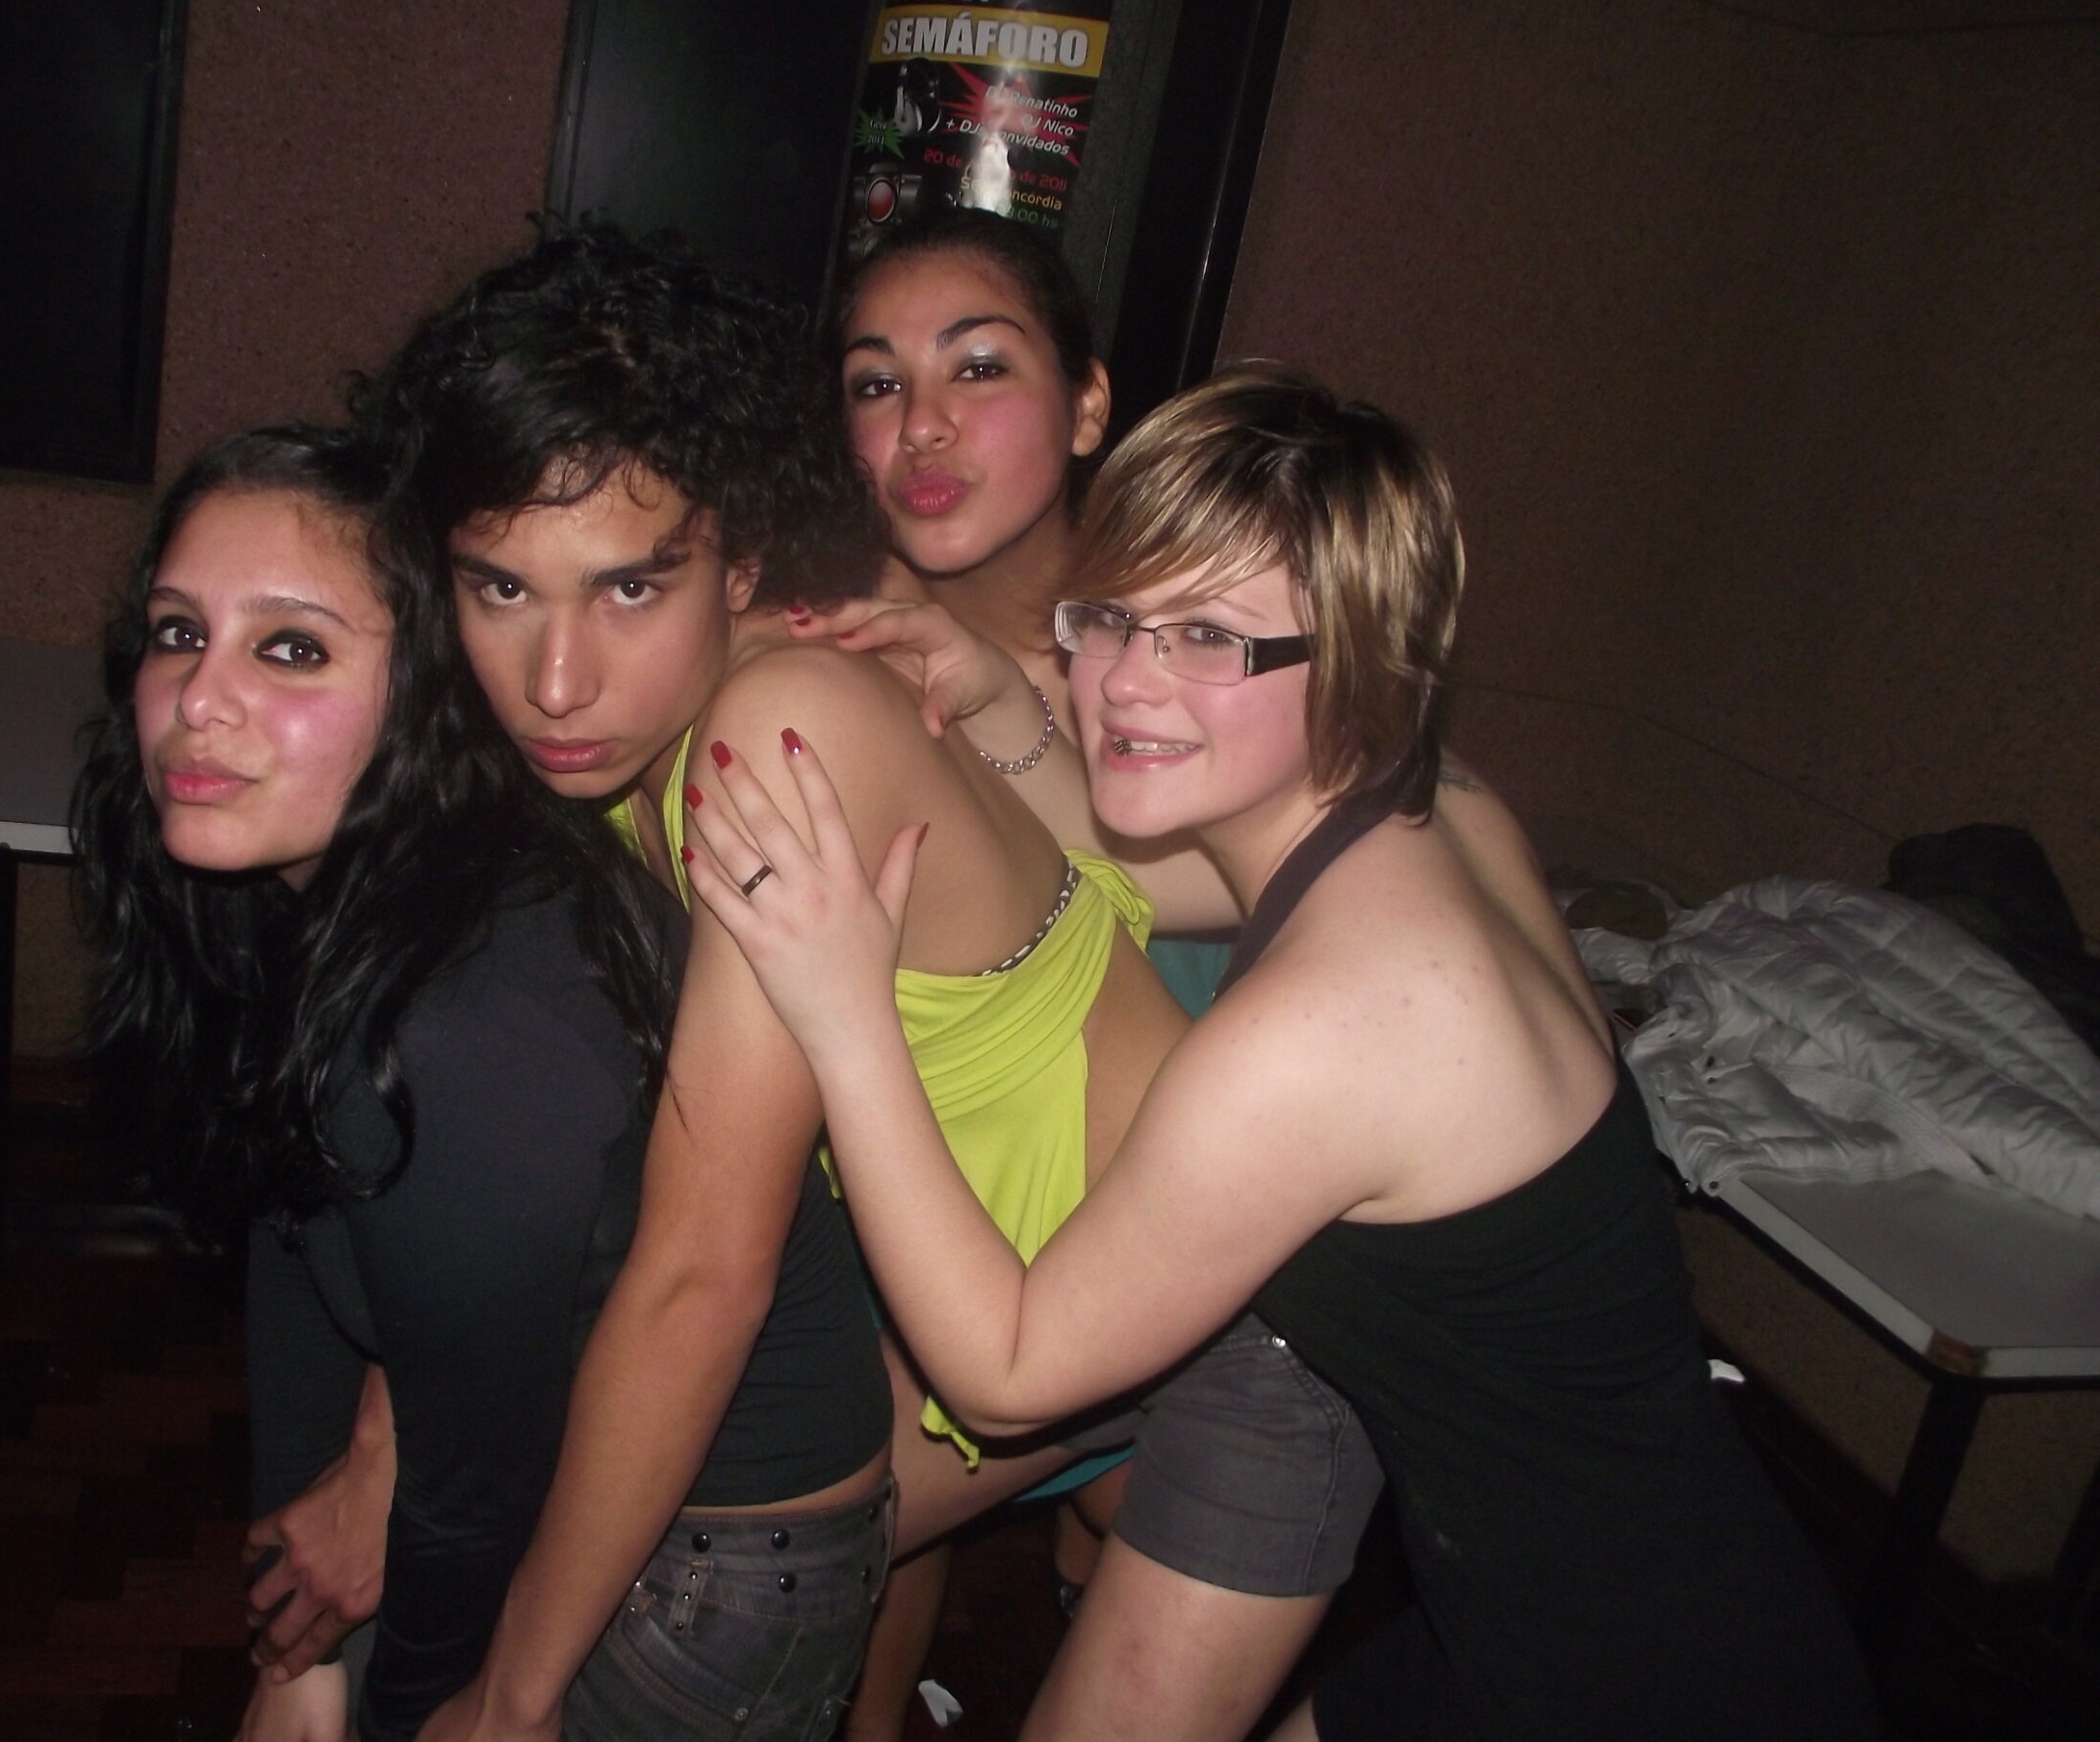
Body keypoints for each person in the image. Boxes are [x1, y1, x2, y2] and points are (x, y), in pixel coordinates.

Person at [680, 365, 1881, 1741]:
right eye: (1112, 617)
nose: (1125, 682)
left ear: (1364, 657)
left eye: (1209, 636)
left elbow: (1007, 1375)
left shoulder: (1332, 1026)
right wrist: (998, 694)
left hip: (1630, 1688)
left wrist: (846, 1017)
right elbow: (1120, 845)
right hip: (1604, 1594)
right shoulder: (1442, 811)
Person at [365, 225, 1200, 1741]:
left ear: (739, 559)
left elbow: (704, 1272)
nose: (556, 681)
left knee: (674, 1561)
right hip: (961, 1278)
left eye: (630, 588)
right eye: (501, 588)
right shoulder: (625, 725)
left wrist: (510, 1705)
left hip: (1168, 1306)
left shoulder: (773, 733)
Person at [70, 425, 893, 1742]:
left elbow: (474, 1499)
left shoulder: (473, 1018)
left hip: (708, 1563)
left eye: (292, 649)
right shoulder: (291, 889)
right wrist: (296, 1646)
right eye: (180, 633)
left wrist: (419, 1713)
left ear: (427, 694)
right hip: (520, 1464)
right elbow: (298, 1223)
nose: (199, 701)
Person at [829, 211, 1380, 1739]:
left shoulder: (1205, 657)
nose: (919, 425)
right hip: (934, 1221)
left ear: (1087, 406)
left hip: (1203, 1249)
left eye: (977, 368)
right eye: (873, 382)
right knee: (832, 1533)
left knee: (1145, 1551)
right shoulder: (829, 655)